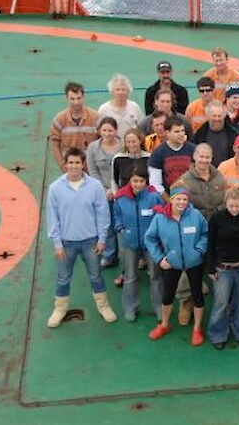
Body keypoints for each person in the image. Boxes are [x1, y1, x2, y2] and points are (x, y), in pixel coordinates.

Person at [46, 147, 117, 328]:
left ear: (82, 164)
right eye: (71, 162)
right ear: (66, 164)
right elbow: (52, 217)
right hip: (65, 242)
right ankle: (60, 309)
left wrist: (102, 239)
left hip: (90, 241)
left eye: (77, 162)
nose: (74, 166)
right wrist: (56, 243)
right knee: (63, 277)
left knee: (96, 276)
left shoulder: (94, 186)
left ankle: (103, 306)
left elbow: (103, 214)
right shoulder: (55, 188)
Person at [144, 187, 209, 346]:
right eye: (178, 199)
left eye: (185, 200)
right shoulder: (160, 218)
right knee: (168, 295)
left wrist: (199, 250)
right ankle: (164, 325)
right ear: (171, 199)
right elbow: (150, 238)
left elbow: (205, 234)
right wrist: (160, 258)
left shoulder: (195, 216)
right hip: (172, 263)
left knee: (197, 295)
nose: (181, 202)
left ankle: (197, 328)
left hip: (194, 262)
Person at [206, 188, 239, 350]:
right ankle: (218, 334)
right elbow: (211, 244)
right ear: (225, 203)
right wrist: (210, 268)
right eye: (231, 206)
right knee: (221, 302)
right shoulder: (216, 218)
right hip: (222, 268)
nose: (234, 210)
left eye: (237, 206)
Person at [112, 166, 164, 322]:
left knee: (156, 276)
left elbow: (160, 216)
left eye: (141, 181)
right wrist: (120, 227)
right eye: (135, 181)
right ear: (129, 181)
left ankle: (159, 307)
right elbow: (117, 215)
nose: (138, 184)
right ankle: (130, 308)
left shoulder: (153, 197)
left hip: (151, 244)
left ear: (146, 181)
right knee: (130, 276)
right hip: (130, 243)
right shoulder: (120, 198)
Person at [86, 117, 123, 267]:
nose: (107, 133)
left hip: (121, 192)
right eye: (104, 130)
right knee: (106, 224)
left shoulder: (123, 146)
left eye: (111, 130)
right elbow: (92, 171)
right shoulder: (93, 148)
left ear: (116, 130)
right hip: (102, 193)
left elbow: (125, 169)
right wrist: (105, 190)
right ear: (99, 131)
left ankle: (123, 256)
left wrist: (117, 190)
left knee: (121, 224)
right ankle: (109, 255)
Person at [49, 82, 99, 170]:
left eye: (79, 98)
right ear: (66, 98)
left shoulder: (95, 117)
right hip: (70, 169)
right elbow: (55, 144)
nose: (76, 102)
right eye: (72, 99)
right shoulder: (59, 120)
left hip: (91, 168)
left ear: (83, 97)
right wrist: (62, 165)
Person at [177, 143, 226, 219]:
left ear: (211, 158)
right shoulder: (184, 180)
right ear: (194, 156)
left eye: (207, 157)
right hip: (196, 222)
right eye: (201, 157)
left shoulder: (219, 176)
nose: (204, 160)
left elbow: (224, 201)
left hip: (217, 222)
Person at [192, 100, 238, 167]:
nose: (217, 119)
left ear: (224, 116)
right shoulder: (199, 135)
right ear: (208, 116)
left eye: (219, 116)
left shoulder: (233, 134)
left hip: (227, 172)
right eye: (214, 116)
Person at [97, 73, 143, 139]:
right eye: (117, 89)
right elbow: (99, 131)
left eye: (123, 90)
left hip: (130, 146)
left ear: (128, 91)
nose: (120, 92)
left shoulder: (134, 107)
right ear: (112, 91)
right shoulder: (104, 109)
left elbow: (141, 128)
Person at [111, 128, 150, 193]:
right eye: (128, 142)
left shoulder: (149, 157)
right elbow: (114, 180)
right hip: (125, 196)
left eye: (134, 142)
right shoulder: (118, 158)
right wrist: (116, 195)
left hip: (145, 195)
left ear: (140, 141)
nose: (131, 145)